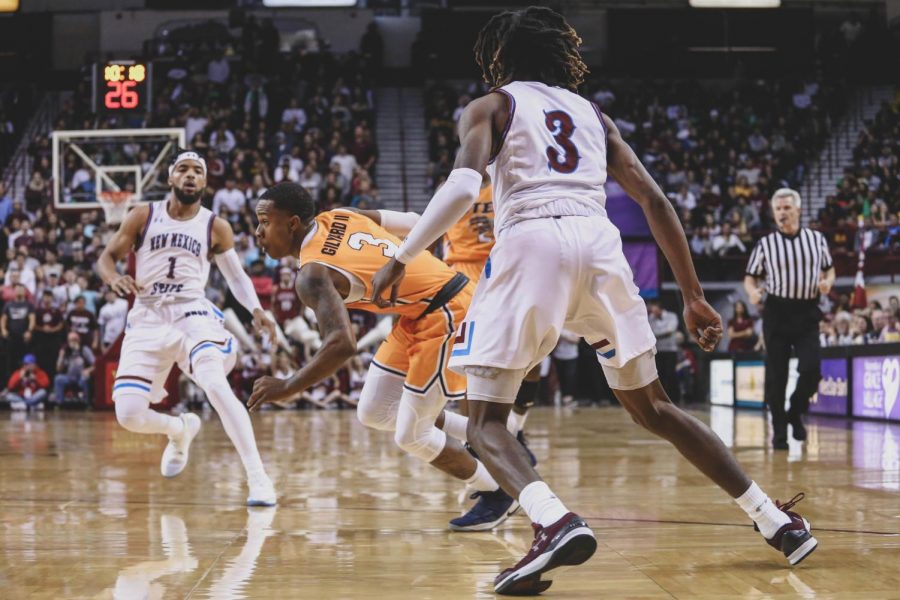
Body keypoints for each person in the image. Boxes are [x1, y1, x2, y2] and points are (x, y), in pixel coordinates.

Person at [370, 8, 817, 594]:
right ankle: (774, 519)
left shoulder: (492, 105)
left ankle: (553, 521)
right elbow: (655, 201)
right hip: (601, 246)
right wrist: (694, 296)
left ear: (500, 57)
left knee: (484, 423)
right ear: (560, 56)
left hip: (531, 241)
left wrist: (401, 258)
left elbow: (460, 187)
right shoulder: (592, 113)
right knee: (656, 409)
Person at [248, 182, 519, 532]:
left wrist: (287, 385)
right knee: (376, 410)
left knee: (412, 435)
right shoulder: (340, 215)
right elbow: (413, 219)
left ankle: (499, 489)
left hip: (445, 309)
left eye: (264, 221)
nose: (257, 232)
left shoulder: (312, 274)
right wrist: (414, 265)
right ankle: (490, 434)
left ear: (293, 223)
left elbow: (341, 343)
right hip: (418, 312)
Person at [97, 150, 278, 506]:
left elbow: (236, 277)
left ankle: (258, 478)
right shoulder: (143, 215)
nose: (190, 175)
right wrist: (113, 278)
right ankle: (179, 430)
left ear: (205, 182)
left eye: (197, 170)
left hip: (191, 314)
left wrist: (256, 309)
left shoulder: (215, 225)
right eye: (183, 169)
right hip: (146, 318)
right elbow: (106, 258)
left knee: (214, 383)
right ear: (170, 178)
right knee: (129, 414)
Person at [745, 188, 835, 449]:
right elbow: (750, 276)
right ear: (774, 214)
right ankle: (780, 430)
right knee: (777, 375)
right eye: (778, 209)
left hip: (807, 312)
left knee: (812, 370)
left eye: (786, 208)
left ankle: (795, 411)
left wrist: (828, 282)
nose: (782, 213)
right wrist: (752, 292)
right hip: (777, 312)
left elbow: (830, 269)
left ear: (798, 210)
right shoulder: (765, 244)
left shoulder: (817, 240)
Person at [53, 331, 95, 406]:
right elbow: (58, 369)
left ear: (79, 340)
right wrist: (61, 357)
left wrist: (88, 370)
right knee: (58, 379)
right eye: (71, 340)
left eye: (74, 339)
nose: (73, 342)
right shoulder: (66, 351)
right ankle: (59, 404)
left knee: (85, 379)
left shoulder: (84, 349)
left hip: (81, 377)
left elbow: (95, 364)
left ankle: (87, 404)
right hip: (69, 377)